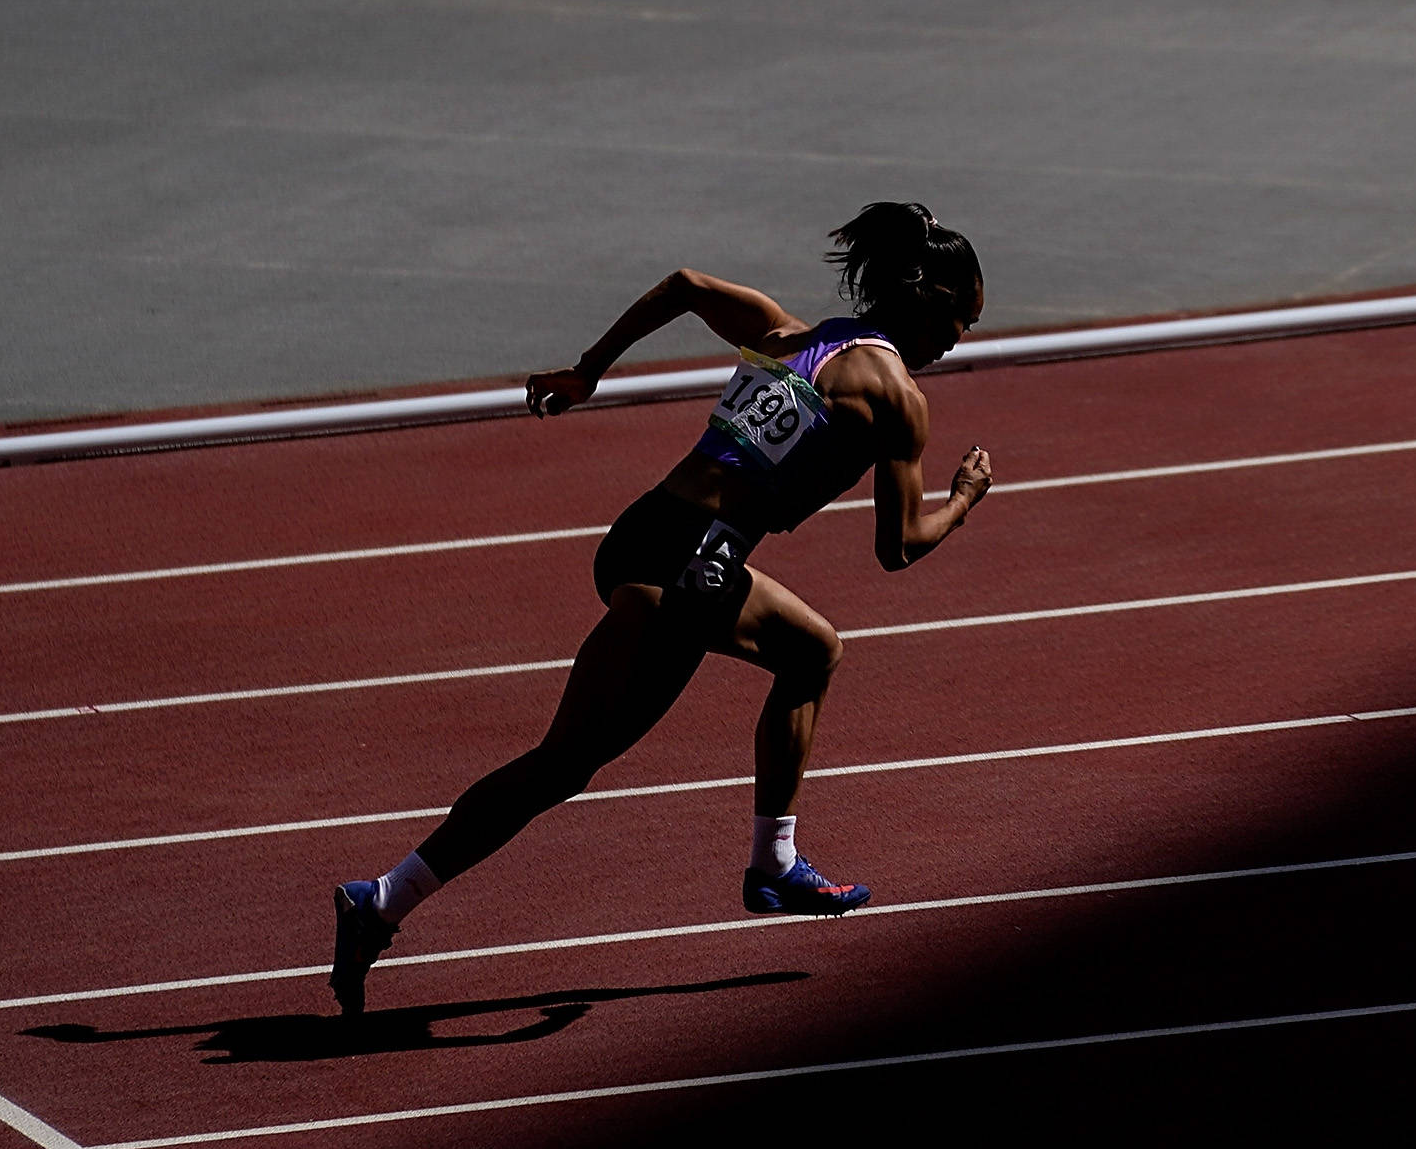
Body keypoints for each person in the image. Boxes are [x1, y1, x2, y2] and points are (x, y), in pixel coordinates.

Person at [328, 202, 994, 1017]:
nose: (958, 339)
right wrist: (962, 498)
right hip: (693, 564)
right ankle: (772, 864)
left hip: (644, 531)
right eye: (961, 320)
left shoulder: (787, 333)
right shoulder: (896, 395)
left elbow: (684, 285)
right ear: (925, 295)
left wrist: (588, 371)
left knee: (792, 658)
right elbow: (898, 545)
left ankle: (383, 900)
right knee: (571, 761)